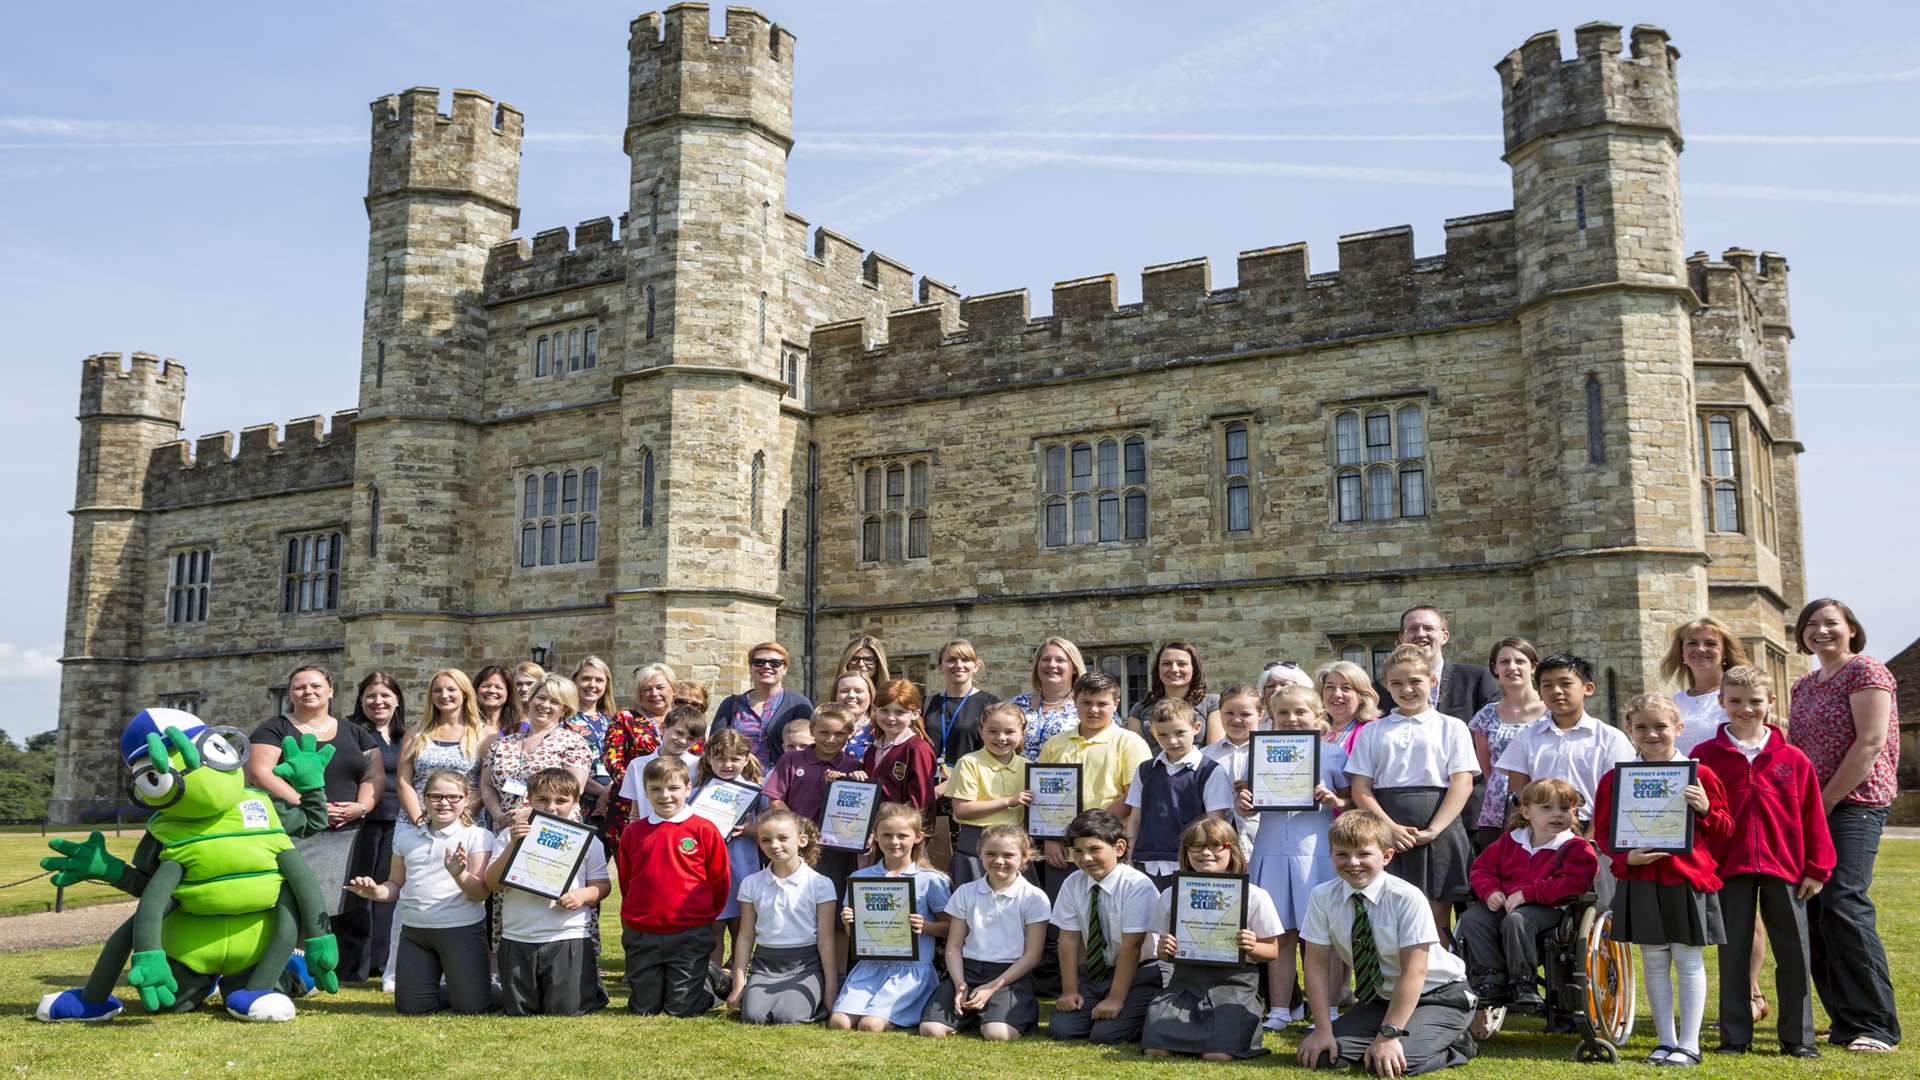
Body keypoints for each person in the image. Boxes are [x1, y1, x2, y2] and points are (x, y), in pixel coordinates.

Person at [1695, 665, 1832, 1058]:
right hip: (1728, 869)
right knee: (1733, 953)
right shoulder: (1704, 757)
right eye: (1735, 701)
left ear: (1770, 703)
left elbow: (1813, 818)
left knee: (1794, 953)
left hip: (1786, 870)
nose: (1745, 709)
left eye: (1755, 701)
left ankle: (1798, 1039)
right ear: (1722, 703)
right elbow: (1695, 817)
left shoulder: (1793, 759)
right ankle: (1734, 1037)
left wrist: (1817, 868)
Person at [1785, 597, 1902, 1054]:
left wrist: (1828, 799)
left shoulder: (1867, 671)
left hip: (1855, 804)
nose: (1821, 631)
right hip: (1811, 808)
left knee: (1841, 901)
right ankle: (1844, 1021)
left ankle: (1877, 1024)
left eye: (1831, 623)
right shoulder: (1805, 684)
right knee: (1812, 910)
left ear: (1851, 628)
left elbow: (1870, 743)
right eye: (1811, 625)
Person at [1593, 694, 1734, 1067]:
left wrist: (1704, 809)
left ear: (1678, 728)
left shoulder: (1700, 774)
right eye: (1642, 727)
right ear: (1630, 729)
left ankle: (1689, 1043)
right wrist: (1626, 857)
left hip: (1686, 876)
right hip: (1640, 877)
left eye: (1661, 726)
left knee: (1688, 960)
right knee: (1654, 961)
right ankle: (1665, 1040)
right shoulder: (1615, 778)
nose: (1652, 734)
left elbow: (1724, 829)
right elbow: (1605, 833)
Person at [1296, 810, 1477, 1077]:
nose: (1353, 862)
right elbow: (1315, 967)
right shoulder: (1322, 897)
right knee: (1324, 1057)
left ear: (1387, 856)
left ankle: (1460, 1044)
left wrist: (1388, 1037)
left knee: (1391, 1066)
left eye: (1364, 854)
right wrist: (1323, 1028)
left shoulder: (1407, 898)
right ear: (1331, 854)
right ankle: (1396, 1034)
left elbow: (1414, 972)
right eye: (1342, 854)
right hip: (1382, 998)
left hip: (1439, 995)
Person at [1346, 645, 1479, 931]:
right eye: (1397, 683)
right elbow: (1361, 788)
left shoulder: (1451, 726)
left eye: (1415, 681)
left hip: (1438, 829)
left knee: (1436, 918)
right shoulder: (1372, 731)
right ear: (1385, 686)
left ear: (1432, 681)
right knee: (1388, 915)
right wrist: (1389, 829)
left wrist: (1434, 830)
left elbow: (1462, 782)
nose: (1407, 689)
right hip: (1386, 831)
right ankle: (1395, 976)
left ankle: (1439, 976)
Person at [344, 769, 494, 1015]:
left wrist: (458, 873)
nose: (444, 803)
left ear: (466, 800)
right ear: (424, 799)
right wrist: (374, 892)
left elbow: (479, 894)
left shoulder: (478, 836)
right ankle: (452, 989)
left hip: (461, 930)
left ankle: (482, 990)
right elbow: (394, 885)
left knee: (473, 1008)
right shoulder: (406, 837)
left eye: (453, 797)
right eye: (435, 796)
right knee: (411, 1008)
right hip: (415, 932)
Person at [1246, 683, 1350, 1030]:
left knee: (1324, 934)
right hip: (1272, 847)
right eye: (1283, 713)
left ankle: (1330, 1007)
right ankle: (1280, 1009)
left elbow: (1352, 804)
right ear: (1271, 718)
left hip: (1317, 850)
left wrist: (1335, 800)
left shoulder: (1335, 755)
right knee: (1280, 933)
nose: (1292, 719)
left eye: (1300, 712)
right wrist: (1243, 804)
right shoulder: (1257, 753)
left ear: (1318, 716)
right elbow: (1250, 801)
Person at [1457, 778, 1597, 1026]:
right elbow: (1482, 870)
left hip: (1553, 910)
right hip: (1506, 905)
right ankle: (1491, 980)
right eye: (1547, 808)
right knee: (1473, 918)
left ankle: (1524, 982)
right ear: (1526, 811)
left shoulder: (1575, 847)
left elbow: (1574, 882)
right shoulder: (1510, 841)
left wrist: (1528, 894)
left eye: (1564, 809)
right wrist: (1490, 891)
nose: (1557, 815)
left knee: (1516, 921)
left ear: (1574, 813)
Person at [1142, 816, 1283, 1060]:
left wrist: (1251, 946)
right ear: (1186, 853)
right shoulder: (1171, 895)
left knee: (1217, 1056)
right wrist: (1166, 949)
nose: (1205, 852)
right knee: (1156, 1050)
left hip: (1234, 986)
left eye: (1216, 845)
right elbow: (1164, 953)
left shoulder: (1255, 895)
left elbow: (1272, 951)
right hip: (1185, 984)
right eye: (1196, 846)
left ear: (1233, 851)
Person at [248, 664, 382, 920]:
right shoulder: (274, 729)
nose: (308, 691)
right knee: (297, 912)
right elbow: (259, 773)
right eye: (299, 687)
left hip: (349, 836)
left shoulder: (355, 732)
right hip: (297, 833)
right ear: (290, 694)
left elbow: (372, 775)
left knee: (348, 914)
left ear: (330, 691)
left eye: (316, 685)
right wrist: (310, 805)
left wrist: (361, 807)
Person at [482, 768, 610, 1015]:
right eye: (543, 799)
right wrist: (513, 846)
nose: (552, 807)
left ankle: (590, 988)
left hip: (566, 935)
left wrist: (582, 896)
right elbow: (492, 883)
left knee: (565, 1010)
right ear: (528, 799)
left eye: (561, 801)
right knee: (520, 1010)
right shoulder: (508, 836)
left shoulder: (587, 841)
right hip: (519, 935)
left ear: (575, 802)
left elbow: (602, 885)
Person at [619, 755, 731, 1016]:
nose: (665, 796)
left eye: (673, 788)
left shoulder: (703, 829)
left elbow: (719, 880)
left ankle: (710, 981)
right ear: (645, 792)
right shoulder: (634, 833)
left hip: (689, 930)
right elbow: (627, 879)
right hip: (643, 930)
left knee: (680, 1009)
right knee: (643, 1009)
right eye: (655, 789)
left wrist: (702, 915)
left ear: (688, 788)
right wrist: (639, 912)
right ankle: (703, 975)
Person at [828, 802, 952, 1032]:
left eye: (902, 836)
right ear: (875, 836)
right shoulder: (860, 877)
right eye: (886, 835)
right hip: (870, 966)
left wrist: (925, 926)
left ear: (917, 837)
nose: (894, 842)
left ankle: (901, 1011)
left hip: (910, 970)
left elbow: (949, 927)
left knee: (870, 1025)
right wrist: (849, 922)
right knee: (839, 1023)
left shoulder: (931, 879)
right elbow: (852, 934)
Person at [919, 824, 1050, 1041]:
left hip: (1009, 976)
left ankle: (1001, 1014)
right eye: (991, 854)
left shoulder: (1034, 897)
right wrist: (959, 983)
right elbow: (954, 945)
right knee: (931, 1030)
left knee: (997, 1034)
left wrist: (991, 988)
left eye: (1009, 855)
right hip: (967, 971)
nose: (999, 861)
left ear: (1025, 857)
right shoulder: (965, 892)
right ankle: (973, 1013)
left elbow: (1033, 955)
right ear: (979, 853)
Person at [1047, 808, 1161, 1045]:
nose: (1085, 858)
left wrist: (1116, 998)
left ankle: (1144, 1012)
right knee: (1063, 1029)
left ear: (1119, 848)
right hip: (1096, 973)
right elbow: (1068, 939)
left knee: (1106, 1034)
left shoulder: (1137, 885)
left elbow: (1132, 945)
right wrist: (1070, 990)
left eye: (1094, 849)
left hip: (1141, 972)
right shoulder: (1073, 882)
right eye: (1077, 851)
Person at [1037, 672, 1153, 901]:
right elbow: (1043, 796)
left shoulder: (1129, 742)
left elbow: (1133, 797)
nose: (1094, 710)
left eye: (1102, 704)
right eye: (1086, 703)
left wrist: (1085, 830)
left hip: (1107, 849)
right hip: (1064, 852)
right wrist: (1049, 838)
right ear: (1074, 702)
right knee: (1064, 922)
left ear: (1116, 704)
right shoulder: (1055, 744)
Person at [1495, 654, 1634, 831]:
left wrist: (1589, 840)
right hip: (1540, 832)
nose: (1556, 691)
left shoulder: (1610, 739)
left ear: (1588, 688)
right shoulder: (1526, 738)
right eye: (1547, 685)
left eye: (1565, 683)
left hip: (1595, 829)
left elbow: (1618, 795)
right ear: (1539, 693)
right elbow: (1519, 793)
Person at [728, 808, 840, 1024]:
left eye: (783, 838)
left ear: (802, 840)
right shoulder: (751, 883)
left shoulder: (820, 884)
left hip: (804, 966)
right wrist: (739, 984)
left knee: (789, 1018)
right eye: (766, 840)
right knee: (754, 1017)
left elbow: (826, 941)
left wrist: (831, 990)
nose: (775, 845)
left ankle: (812, 998)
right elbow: (745, 936)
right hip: (765, 965)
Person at [337, 672, 406, 983]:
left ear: (397, 700)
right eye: (371, 696)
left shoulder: (407, 735)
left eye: (385, 696)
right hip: (361, 822)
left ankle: (382, 961)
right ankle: (354, 965)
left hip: (398, 821)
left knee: (388, 892)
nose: (378, 702)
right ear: (361, 700)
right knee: (357, 893)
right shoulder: (349, 732)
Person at [1123, 698, 1234, 891]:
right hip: (1145, 862)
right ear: (1153, 733)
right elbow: (1135, 818)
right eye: (1163, 735)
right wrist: (1129, 857)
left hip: (1190, 863)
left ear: (1196, 728)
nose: (1172, 741)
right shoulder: (1145, 770)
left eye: (1180, 732)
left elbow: (1215, 824)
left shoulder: (1210, 771)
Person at [764, 705, 865, 908]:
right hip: (798, 846)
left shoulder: (853, 766)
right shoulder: (791, 760)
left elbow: (861, 807)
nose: (831, 739)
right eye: (824, 733)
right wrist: (799, 829)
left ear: (850, 734)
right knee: (795, 902)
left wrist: (858, 783)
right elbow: (775, 799)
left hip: (837, 849)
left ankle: (832, 940)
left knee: (834, 904)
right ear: (812, 731)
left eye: (839, 734)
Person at [1466, 639, 1547, 853]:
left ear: (1533, 666)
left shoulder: (1551, 712)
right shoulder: (1485, 716)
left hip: (1546, 803)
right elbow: (1487, 770)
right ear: (1495, 668)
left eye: (1519, 661)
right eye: (1504, 662)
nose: (1512, 667)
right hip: (1498, 810)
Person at [482, 673, 592, 826]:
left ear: (564, 710)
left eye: (554, 702)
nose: (545, 705)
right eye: (541, 698)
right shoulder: (502, 743)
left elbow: (574, 790)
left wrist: (530, 814)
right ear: (531, 699)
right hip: (506, 828)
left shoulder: (573, 743)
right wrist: (499, 816)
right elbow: (486, 784)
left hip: (551, 827)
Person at [698, 728, 767, 971]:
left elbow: (770, 828)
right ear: (708, 758)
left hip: (743, 869)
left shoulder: (756, 791)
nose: (727, 764)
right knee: (713, 926)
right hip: (709, 872)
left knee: (743, 925)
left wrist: (752, 829)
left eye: (735, 758)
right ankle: (712, 977)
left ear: (746, 759)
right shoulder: (697, 791)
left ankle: (738, 974)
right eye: (720, 758)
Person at [946, 702, 1032, 887]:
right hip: (975, 845)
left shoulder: (1028, 766)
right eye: (993, 731)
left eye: (1009, 732)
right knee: (974, 906)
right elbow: (962, 810)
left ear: (1022, 733)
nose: (1001, 738)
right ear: (981, 731)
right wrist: (1009, 801)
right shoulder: (969, 763)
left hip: (1014, 845)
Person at [602, 663, 675, 843]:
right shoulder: (625, 719)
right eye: (646, 689)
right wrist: (641, 791)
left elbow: (698, 757)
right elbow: (613, 761)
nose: (654, 693)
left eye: (660, 687)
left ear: (673, 689)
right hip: (629, 806)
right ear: (639, 694)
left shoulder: (684, 719)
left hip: (675, 803)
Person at [711, 642, 814, 768]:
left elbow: (811, 747)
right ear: (750, 667)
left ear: (785, 669)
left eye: (775, 663)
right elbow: (714, 745)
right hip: (737, 781)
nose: (766, 666)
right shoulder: (731, 704)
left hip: (783, 781)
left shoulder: (798, 704)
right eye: (759, 662)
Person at [1662, 616, 1751, 756]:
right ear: (1681, 652)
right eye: (1692, 643)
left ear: (1725, 652)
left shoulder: (1742, 697)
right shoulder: (1672, 703)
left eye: (1710, 643)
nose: (1701, 649)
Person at [860, 679, 937, 830]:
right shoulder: (871, 750)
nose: (890, 718)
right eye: (884, 710)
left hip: (901, 835)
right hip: (872, 833)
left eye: (899, 712)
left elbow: (921, 801)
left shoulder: (917, 748)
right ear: (875, 710)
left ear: (915, 714)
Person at [1399, 605, 1499, 721]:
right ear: (1402, 639)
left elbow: (1492, 731)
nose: (1421, 634)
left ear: (1444, 637)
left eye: (1429, 628)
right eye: (1413, 629)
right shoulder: (1383, 689)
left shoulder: (1476, 679)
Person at [1202, 683, 1264, 864]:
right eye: (1229, 713)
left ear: (1260, 715)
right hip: (1216, 846)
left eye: (1245, 714)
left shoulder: (1270, 753)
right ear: (1220, 713)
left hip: (1261, 841)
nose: (1236, 720)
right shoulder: (1205, 756)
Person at [1125, 641, 1223, 748]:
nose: (1174, 669)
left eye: (1182, 664)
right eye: (1166, 664)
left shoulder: (1212, 704)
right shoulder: (1140, 709)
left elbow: (1215, 751)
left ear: (1194, 668)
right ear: (1158, 669)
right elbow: (1136, 753)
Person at [925, 639, 999, 775]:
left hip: (970, 785)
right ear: (940, 666)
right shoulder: (926, 703)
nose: (959, 665)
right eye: (951, 660)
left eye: (965, 660)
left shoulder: (990, 704)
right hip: (927, 785)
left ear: (976, 666)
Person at [1014, 637, 1085, 761]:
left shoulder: (1087, 705)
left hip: (1067, 780)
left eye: (1060, 660)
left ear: (1074, 668)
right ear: (1037, 665)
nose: (1052, 665)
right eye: (1046, 659)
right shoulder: (1017, 704)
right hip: (1017, 778)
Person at [568, 656, 620, 820]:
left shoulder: (613, 720)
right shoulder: (563, 720)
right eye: (586, 679)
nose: (592, 685)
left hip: (614, 802)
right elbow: (565, 767)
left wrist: (611, 791)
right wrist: (603, 791)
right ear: (575, 681)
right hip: (579, 800)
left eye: (599, 680)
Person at [1318, 660, 1381, 756]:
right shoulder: (1315, 728)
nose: (1337, 694)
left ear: (1362, 697)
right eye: (1330, 687)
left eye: (1346, 688)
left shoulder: (1373, 730)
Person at [832, 671, 879, 761]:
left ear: (871, 695)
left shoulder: (881, 729)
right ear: (835, 695)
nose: (851, 695)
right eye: (844, 691)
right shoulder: (822, 726)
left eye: (858, 691)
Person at [472, 664, 525, 739]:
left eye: (498, 687)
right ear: (476, 689)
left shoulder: (521, 727)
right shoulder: (466, 724)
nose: (491, 690)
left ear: (508, 693)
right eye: (486, 686)